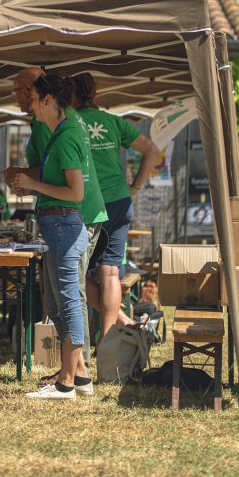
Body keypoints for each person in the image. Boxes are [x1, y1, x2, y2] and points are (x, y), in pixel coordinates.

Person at [5, 66, 107, 380]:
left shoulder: (62, 132)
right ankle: (76, 372)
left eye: (23, 93)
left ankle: (72, 377)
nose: (22, 100)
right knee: (59, 299)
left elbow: (74, 190)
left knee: (69, 298)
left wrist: (28, 181)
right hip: (63, 219)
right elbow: (54, 173)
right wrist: (30, 182)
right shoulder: (59, 127)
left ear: (43, 97)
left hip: (69, 220)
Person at [73, 72, 160, 339]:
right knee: (110, 272)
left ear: (70, 95)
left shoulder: (69, 122)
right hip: (120, 202)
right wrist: (135, 187)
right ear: (95, 94)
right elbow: (152, 149)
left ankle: (114, 327)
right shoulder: (113, 121)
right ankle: (109, 339)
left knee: (73, 270)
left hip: (88, 205)